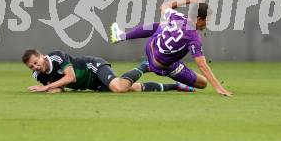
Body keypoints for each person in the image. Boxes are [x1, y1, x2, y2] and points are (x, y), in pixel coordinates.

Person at [110, 0, 233, 97]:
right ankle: (147, 66)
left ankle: (121, 36)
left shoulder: (178, 17)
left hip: (151, 45)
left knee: (161, 25)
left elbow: (165, 5)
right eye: (207, 20)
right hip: (162, 65)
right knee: (203, 83)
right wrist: (218, 87)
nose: (208, 23)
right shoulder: (194, 38)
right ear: (200, 19)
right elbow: (202, 65)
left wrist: (189, 0)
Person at [22, 48, 195, 93]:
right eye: (32, 66)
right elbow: (58, 88)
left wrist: (46, 88)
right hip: (91, 85)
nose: (36, 67)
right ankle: (177, 86)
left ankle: (145, 65)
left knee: (118, 88)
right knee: (129, 88)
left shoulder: (56, 57)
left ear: (42, 56)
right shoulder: (38, 75)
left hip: (94, 68)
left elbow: (71, 77)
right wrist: (51, 89)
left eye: (36, 62)